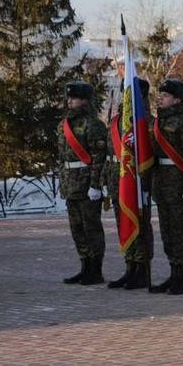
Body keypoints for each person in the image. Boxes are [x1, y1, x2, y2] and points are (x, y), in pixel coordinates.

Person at [149, 79, 183, 295]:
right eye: (160, 95)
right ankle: (173, 273)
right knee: (167, 232)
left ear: (177, 100)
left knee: (180, 232)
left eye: (166, 96)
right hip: (162, 185)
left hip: (179, 185)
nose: (160, 98)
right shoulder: (158, 123)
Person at [105, 78, 154, 290]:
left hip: (138, 180)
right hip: (119, 179)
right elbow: (107, 154)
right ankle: (130, 266)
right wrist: (103, 182)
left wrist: (147, 183)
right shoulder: (116, 122)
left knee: (141, 226)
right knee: (123, 223)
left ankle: (142, 269)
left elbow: (150, 155)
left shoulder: (146, 123)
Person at [59, 82, 107, 286]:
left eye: (75, 98)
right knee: (77, 228)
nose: (70, 100)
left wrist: (95, 184)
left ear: (85, 100)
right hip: (71, 183)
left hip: (87, 182)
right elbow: (62, 157)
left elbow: (98, 157)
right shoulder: (64, 125)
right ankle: (84, 265)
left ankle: (95, 269)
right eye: (69, 97)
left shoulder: (93, 124)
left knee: (91, 228)